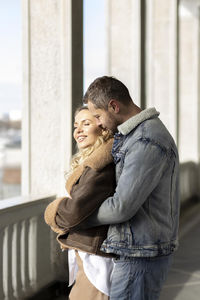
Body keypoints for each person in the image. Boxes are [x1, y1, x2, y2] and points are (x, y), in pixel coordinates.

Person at [77, 76, 180, 300]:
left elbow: (120, 208)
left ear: (114, 106)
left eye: (97, 116)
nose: (98, 123)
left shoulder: (146, 140)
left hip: (140, 255)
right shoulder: (138, 135)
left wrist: (77, 217)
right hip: (141, 250)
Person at [44, 106, 116, 300]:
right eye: (76, 126)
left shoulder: (99, 166)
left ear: (103, 128)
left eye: (87, 124)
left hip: (95, 256)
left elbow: (74, 212)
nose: (78, 130)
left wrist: (54, 208)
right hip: (89, 251)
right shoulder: (95, 162)